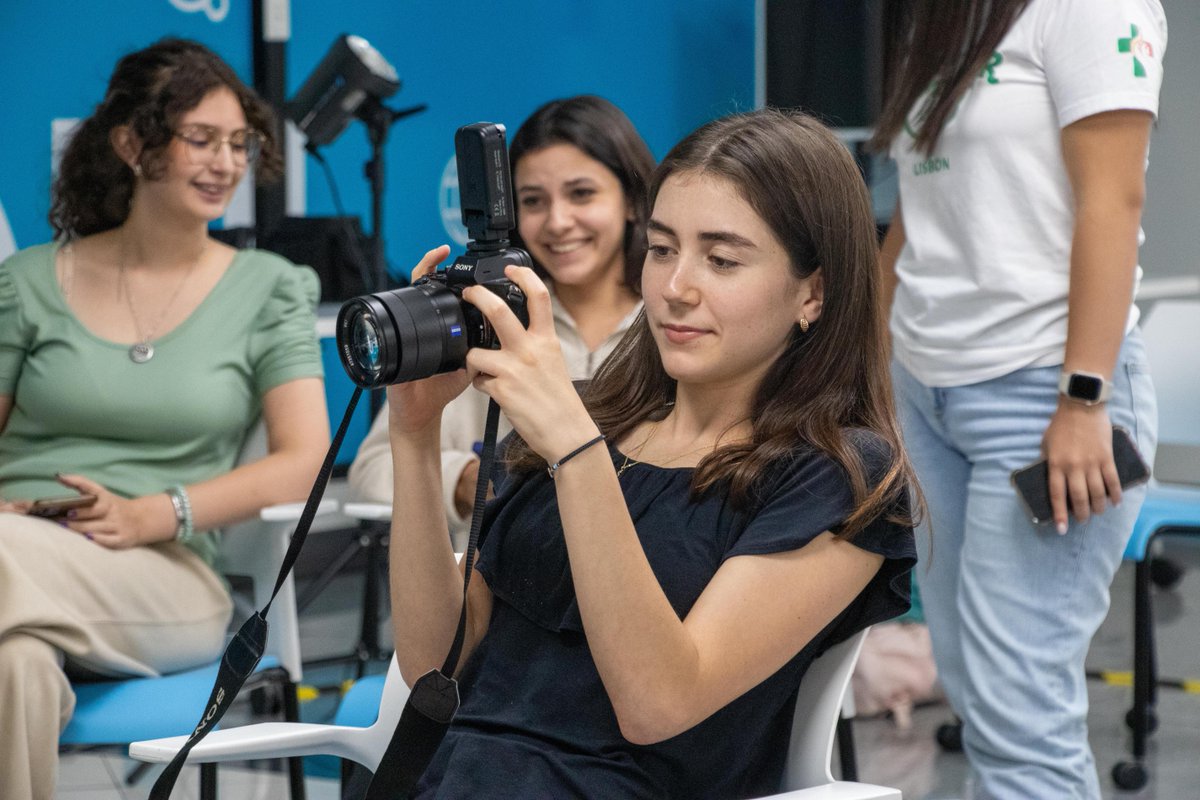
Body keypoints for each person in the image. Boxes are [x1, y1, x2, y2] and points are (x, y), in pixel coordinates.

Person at [381, 109, 917, 798]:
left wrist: (576, 454)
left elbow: (658, 703)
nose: (673, 288)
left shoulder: (836, 476)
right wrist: (417, 439)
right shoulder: (592, 419)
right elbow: (435, 663)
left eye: (721, 260)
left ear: (813, 292)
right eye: (662, 250)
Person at [0, 38, 329, 799]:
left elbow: (304, 456)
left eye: (239, 144)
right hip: (22, 539)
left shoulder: (268, 286)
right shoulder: (25, 283)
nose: (225, 163)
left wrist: (161, 513)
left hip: (164, 574)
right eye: (201, 140)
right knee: (13, 666)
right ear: (130, 142)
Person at [872, 0, 1165, 796]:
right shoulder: (945, 23)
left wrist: (1083, 398)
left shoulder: (1092, 8)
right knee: (972, 690)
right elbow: (916, 221)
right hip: (925, 388)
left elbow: (1114, 203)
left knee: (1019, 718)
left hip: (1046, 394)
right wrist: (864, 366)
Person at [348, 95, 654, 542]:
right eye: (533, 200)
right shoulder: (486, 318)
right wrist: (466, 478)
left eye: (582, 194)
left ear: (631, 201)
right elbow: (372, 468)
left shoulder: (671, 326)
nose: (558, 221)